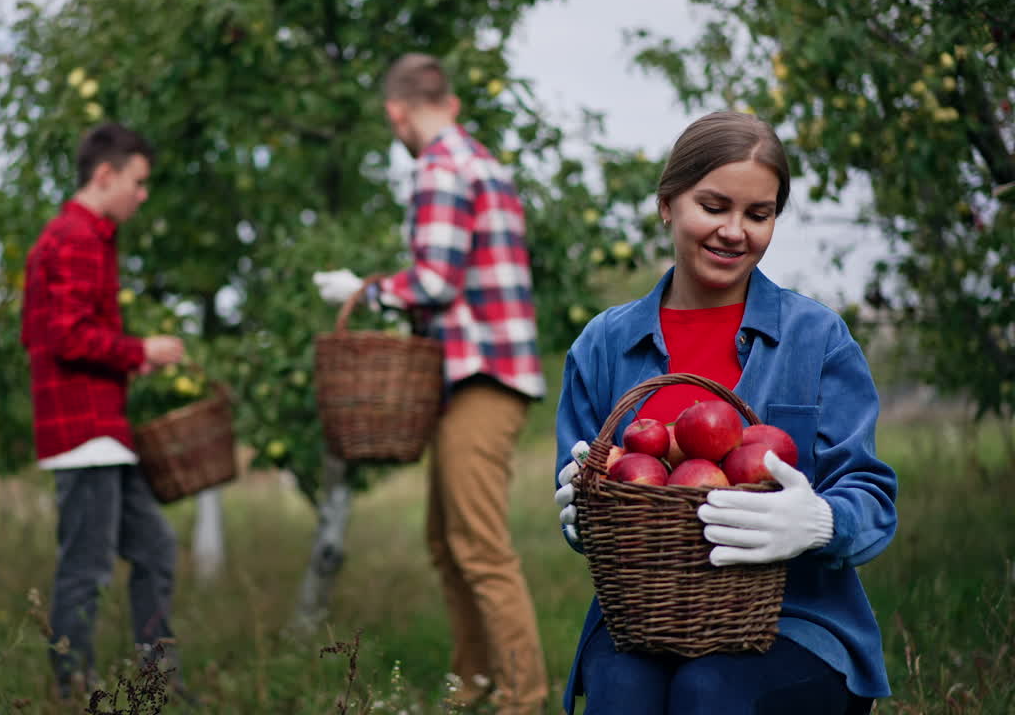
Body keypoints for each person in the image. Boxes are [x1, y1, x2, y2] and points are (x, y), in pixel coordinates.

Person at [551, 111, 898, 715]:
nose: (735, 231)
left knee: (708, 691)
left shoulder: (816, 338)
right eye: (713, 206)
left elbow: (870, 494)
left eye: (758, 215)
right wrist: (580, 511)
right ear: (667, 205)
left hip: (798, 618)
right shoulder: (604, 345)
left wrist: (821, 521)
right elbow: (586, 489)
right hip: (647, 611)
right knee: (623, 691)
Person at [313, 53, 549, 714]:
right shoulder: (481, 161)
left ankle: (523, 700)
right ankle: (471, 687)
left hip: (482, 376)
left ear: (396, 112)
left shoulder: (440, 167)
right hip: (482, 374)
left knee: (479, 548)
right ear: (450, 101)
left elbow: (436, 282)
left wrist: (364, 289)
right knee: (447, 543)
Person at [20, 122, 187, 700]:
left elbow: (68, 335)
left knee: (156, 550)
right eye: (139, 182)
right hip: (83, 434)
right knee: (85, 571)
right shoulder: (73, 237)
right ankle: (72, 692)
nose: (144, 194)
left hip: (104, 432)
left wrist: (128, 360)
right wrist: (139, 350)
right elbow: (66, 336)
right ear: (105, 175)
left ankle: (156, 685)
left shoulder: (89, 237)